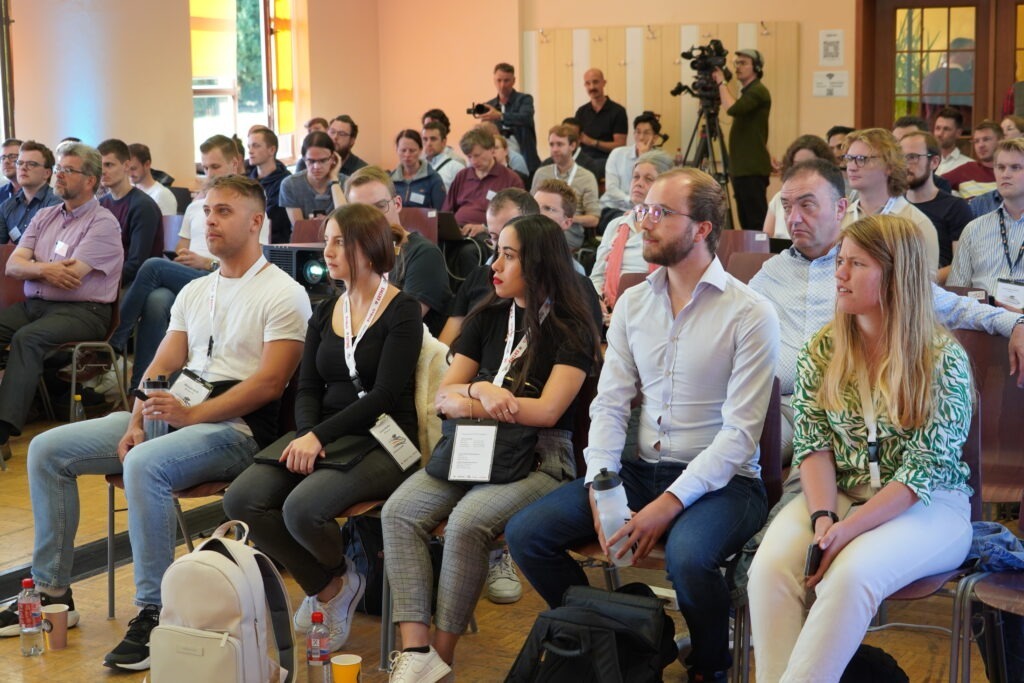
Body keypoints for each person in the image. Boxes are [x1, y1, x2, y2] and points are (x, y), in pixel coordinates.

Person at [15, 175, 310, 671]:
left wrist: (188, 415)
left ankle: (156, 611)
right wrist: (134, 421)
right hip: (173, 416)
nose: (209, 221)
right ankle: (51, 593)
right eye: (207, 211)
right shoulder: (196, 290)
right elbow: (159, 367)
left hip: (235, 429)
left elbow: (270, 384)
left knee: (146, 465)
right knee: (48, 450)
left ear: (256, 221)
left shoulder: (285, 293)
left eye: (223, 212)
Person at [508, 167, 780, 683]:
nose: (643, 223)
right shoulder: (634, 302)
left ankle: (709, 664)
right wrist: (600, 481)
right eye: (642, 211)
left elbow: (740, 436)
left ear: (701, 228)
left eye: (660, 213)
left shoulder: (750, 312)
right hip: (640, 469)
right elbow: (609, 405)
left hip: (726, 483)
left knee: (690, 558)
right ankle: (613, 634)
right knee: (528, 534)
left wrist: (668, 504)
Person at [748, 214, 974, 682]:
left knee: (849, 576)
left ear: (894, 275)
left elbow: (920, 475)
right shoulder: (823, 348)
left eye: (856, 263)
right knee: (768, 572)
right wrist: (824, 518)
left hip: (930, 504)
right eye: (841, 261)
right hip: (843, 494)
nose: (839, 274)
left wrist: (847, 534)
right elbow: (813, 446)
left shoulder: (941, 359)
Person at [382, 213, 601, 683]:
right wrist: (484, 393)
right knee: (398, 512)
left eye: (508, 254)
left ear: (539, 262)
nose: (494, 265)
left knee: (466, 523)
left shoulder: (569, 325)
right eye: (495, 251)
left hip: (543, 457)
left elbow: (546, 412)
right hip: (474, 447)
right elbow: (446, 395)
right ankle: (414, 651)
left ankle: (440, 660)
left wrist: (478, 398)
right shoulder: (489, 314)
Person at [224, 203, 422, 651]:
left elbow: (385, 394)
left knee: (301, 509)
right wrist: (306, 435)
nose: (327, 251)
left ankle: (333, 581)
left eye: (338, 242)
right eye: (326, 240)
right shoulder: (325, 308)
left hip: (384, 438)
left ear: (368, 250)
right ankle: (334, 585)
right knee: (242, 498)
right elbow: (308, 386)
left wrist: (318, 437)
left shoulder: (402, 309)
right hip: (326, 435)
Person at [749, 159, 1024, 468]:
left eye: (807, 206)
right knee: (724, 436)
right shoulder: (769, 274)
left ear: (841, 208)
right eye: (786, 207)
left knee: (750, 445)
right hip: (778, 404)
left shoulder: (870, 267)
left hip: (846, 410)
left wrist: (1015, 321)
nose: (793, 218)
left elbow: (957, 307)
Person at [106, 134, 271, 391]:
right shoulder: (196, 207)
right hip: (190, 278)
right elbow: (181, 248)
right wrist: (184, 258)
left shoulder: (250, 210)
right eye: (205, 167)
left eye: (215, 166)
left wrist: (206, 263)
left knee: (151, 266)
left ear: (235, 164)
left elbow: (255, 259)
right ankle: (143, 388)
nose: (209, 173)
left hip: (222, 276)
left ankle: (115, 341)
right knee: (156, 299)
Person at [0, 141, 123, 461]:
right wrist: (45, 269)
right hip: (37, 306)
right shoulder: (44, 216)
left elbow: (72, 276)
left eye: (68, 170)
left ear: (90, 180)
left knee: (28, 338)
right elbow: (13, 266)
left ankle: (1, 432)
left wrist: (33, 268)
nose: (59, 175)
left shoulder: (103, 223)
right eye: (58, 169)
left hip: (84, 311)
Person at [346, 166, 452, 337]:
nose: (373, 217)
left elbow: (401, 323)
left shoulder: (424, 254)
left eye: (380, 206)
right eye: (361, 212)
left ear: (397, 204)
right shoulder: (356, 255)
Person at [840, 128, 940, 274]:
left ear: (889, 166)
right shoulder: (839, 218)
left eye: (862, 159)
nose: (852, 167)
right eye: (849, 158)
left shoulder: (916, 224)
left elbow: (924, 287)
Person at [591, 150, 673, 317]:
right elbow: (597, 276)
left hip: (655, 311)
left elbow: (675, 281)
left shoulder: (670, 226)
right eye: (636, 177)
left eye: (648, 179)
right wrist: (598, 300)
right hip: (611, 310)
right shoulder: (616, 225)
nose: (639, 183)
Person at [948, 137, 1024, 296]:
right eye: (1000, 167)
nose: (1005, 174)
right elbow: (956, 295)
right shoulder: (974, 229)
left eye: (1015, 167)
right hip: (981, 318)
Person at [901, 131, 974, 282]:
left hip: (937, 290)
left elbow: (961, 264)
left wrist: (921, 283)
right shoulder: (892, 205)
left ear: (934, 162)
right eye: (901, 157)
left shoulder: (955, 207)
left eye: (913, 157)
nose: (905, 165)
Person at [714, 48, 772, 231]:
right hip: (743, 168)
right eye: (736, 62)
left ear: (756, 67)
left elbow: (732, 109)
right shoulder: (748, 92)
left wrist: (721, 82)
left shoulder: (758, 91)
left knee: (755, 222)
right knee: (747, 222)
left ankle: (762, 257)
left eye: (743, 63)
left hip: (751, 169)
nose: (738, 67)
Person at [97, 138, 162, 285]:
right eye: (99, 166)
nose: (102, 171)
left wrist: (99, 282)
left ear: (126, 166)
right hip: (105, 276)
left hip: (135, 281)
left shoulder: (143, 206)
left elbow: (137, 264)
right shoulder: (101, 204)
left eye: (109, 165)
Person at [530, 124, 600, 251]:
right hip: (538, 226)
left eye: (560, 144)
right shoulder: (541, 173)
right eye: (551, 144)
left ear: (573, 146)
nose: (555, 149)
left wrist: (564, 218)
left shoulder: (586, 177)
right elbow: (530, 206)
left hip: (569, 231)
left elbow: (594, 219)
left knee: (546, 242)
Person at [763, 135, 836, 238]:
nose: (802, 170)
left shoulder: (831, 198)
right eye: (797, 165)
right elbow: (766, 242)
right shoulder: (779, 198)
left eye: (810, 164)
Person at [475, 63, 540, 175]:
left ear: (514, 80)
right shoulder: (489, 105)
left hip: (525, 160)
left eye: (506, 80)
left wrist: (500, 116)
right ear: (493, 80)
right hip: (498, 162)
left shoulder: (524, 99)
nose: (502, 85)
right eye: (499, 80)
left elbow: (526, 118)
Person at [601, 111, 665, 217]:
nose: (641, 137)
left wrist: (643, 157)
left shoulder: (661, 160)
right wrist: (631, 200)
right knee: (632, 220)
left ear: (655, 137)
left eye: (646, 133)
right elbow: (611, 188)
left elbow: (660, 192)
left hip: (646, 210)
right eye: (638, 132)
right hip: (614, 208)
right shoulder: (617, 153)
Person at [280, 131, 345, 227]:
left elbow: (346, 223)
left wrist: (334, 180)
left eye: (323, 161)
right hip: (304, 240)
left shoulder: (346, 182)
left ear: (332, 159)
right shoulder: (290, 184)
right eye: (311, 161)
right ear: (304, 159)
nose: (317, 166)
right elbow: (299, 229)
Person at [0, 140, 60, 244]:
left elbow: (46, 245)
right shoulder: (6, 207)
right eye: (20, 163)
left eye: (31, 164)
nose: (23, 167)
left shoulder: (57, 203)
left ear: (47, 173)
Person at [574, 68, 629, 178]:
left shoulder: (618, 111)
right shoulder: (581, 111)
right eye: (588, 83)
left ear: (604, 83)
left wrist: (593, 142)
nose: (592, 87)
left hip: (607, 159)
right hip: (583, 158)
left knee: (588, 170)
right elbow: (575, 140)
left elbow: (620, 145)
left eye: (595, 82)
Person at [247, 126, 292, 243]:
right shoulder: (246, 181)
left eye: (256, 146)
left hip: (276, 243)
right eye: (249, 146)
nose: (250, 151)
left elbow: (273, 216)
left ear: (272, 150)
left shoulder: (286, 181)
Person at [941, 119, 1001, 199]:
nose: (980, 145)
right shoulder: (966, 170)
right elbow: (932, 186)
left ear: (1001, 141)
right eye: (976, 141)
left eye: (986, 139)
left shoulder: (1013, 171)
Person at [390, 129, 446, 209]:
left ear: (420, 150)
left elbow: (441, 213)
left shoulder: (434, 179)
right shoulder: (390, 180)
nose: (407, 155)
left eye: (412, 151)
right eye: (403, 150)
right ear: (397, 150)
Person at [127, 143, 178, 216]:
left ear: (147, 164)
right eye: (127, 169)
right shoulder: (128, 191)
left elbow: (166, 227)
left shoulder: (162, 195)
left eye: (133, 169)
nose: (129, 174)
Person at [422, 120, 465, 192]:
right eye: (425, 139)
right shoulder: (417, 166)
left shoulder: (457, 168)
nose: (428, 143)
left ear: (443, 142)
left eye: (433, 139)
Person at [934, 107, 972, 175]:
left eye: (946, 129)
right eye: (937, 128)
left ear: (958, 133)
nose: (940, 134)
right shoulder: (925, 162)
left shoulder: (968, 165)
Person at [0, 137, 23, 204]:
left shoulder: (34, 192)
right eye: (3, 158)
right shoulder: (1, 193)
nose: (6, 161)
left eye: (12, 156)